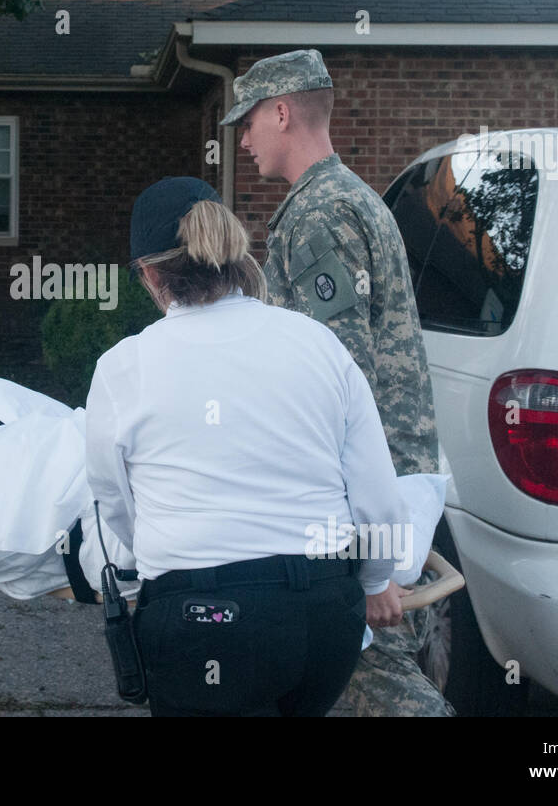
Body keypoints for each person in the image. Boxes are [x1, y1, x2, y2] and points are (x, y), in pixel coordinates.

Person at [85, 177, 410, 716]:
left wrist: (134, 568)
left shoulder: (124, 367)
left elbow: (115, 504)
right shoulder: (316, 343)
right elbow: (376, 491)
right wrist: (377, 580)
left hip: (202, 619)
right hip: (324, 617)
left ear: (148, 273)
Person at [220, 48, 453, 716]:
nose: (242, 139)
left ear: (282, 112)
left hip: (364, 493)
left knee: (377, 684)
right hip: (380, 483)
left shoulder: (319, 214)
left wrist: (368, 553)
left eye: (249, 121)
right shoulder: (347, 198)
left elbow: (338, 382)